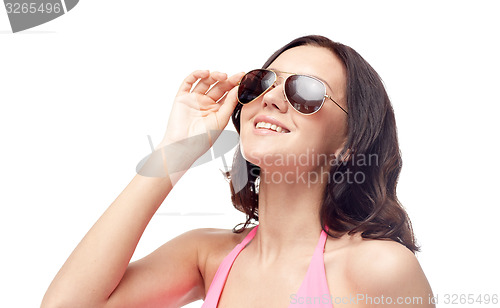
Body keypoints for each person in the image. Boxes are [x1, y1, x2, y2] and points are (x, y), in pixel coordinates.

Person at [41, 35, 434, 307]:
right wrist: (175, 151)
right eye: (260, 83)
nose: (272, 99)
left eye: (306, 92)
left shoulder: (379, 269)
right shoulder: (206, 256)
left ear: (348, 144)